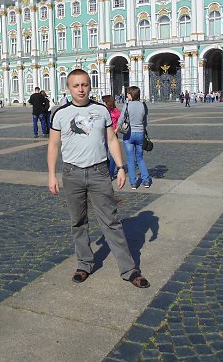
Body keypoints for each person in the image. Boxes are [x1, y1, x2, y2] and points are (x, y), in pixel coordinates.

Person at [48, 69, 149, 288]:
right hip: (72, 173)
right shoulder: (60, 114)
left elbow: (111, 139)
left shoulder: (101, 110)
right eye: (76, 85)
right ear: (69, 88)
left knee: (111, 221)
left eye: (84, 84)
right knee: (78, 221)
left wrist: (120, 167)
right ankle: (84, 264)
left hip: (99, 172)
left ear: (89, 86)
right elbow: (53, 145)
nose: (81, 89)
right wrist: (51, 175)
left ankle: (129, 269)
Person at [120, 86, 152, 190]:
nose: (127, 95)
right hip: (140, 134)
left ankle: (133, 183)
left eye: (128, 94)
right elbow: (146, 122)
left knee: (130, 159)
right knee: (140, 158)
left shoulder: (127, 105)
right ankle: (146, 180)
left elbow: (121, 119)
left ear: (131, 95)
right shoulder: (143, 105)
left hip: (129, 134)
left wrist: (117, 128)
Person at [102, 94, 121, 179]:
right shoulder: (103, 110)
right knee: (102, 153)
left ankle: (111, 173)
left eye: (103, 101)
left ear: (107, 102)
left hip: (112, 135)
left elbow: (120, 121)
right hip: (103, 135)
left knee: (113, 155)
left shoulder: (115, 111)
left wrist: (116, 129)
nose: (102, 103)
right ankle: (107, 168)